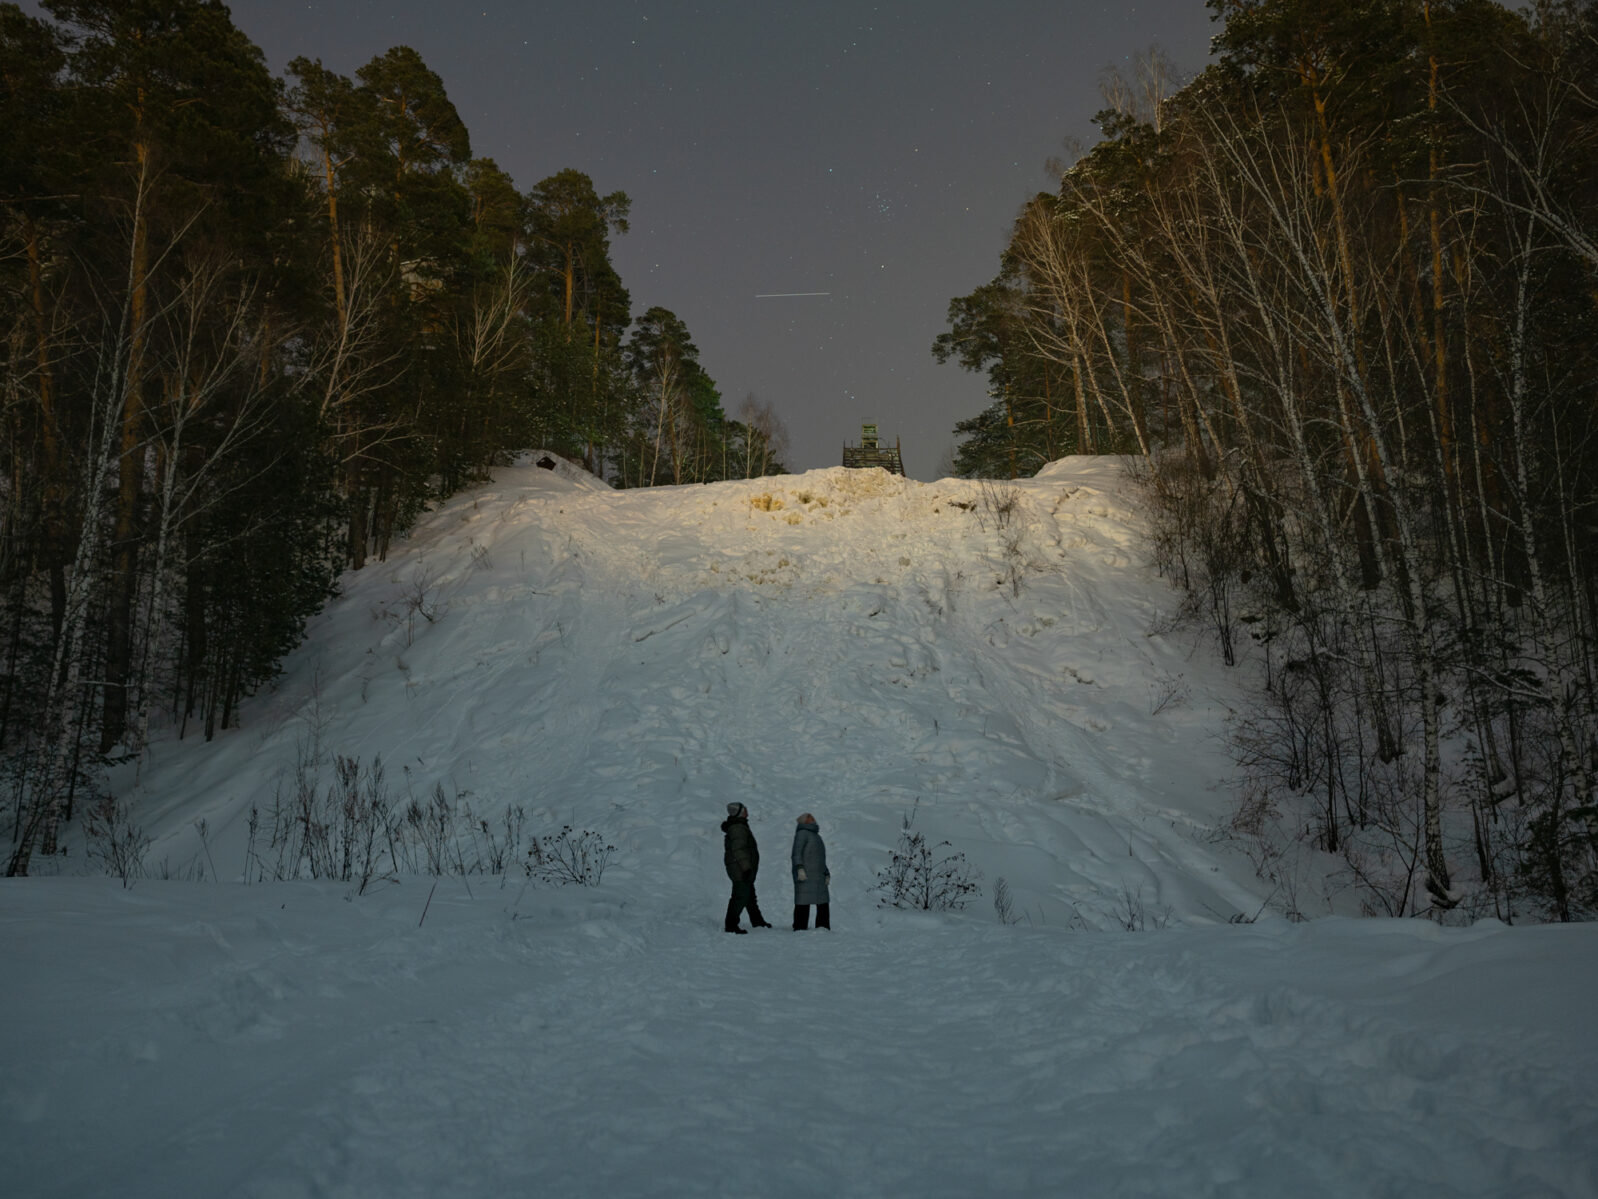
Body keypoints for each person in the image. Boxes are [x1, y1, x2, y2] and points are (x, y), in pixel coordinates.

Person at [721, 802, 771, 933]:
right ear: (740, 812)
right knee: (740, 895)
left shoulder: (739, 825)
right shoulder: (738, 827)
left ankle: (757, 921)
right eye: (745, 809)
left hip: (740, 867)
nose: (747, 811)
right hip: (739, 868)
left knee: (749, 895)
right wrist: (746, 868)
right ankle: (731, 925)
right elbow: (739, 849)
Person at [791, 813, 831, 930]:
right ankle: (799, 926)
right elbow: (796, 853)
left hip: (819, 875)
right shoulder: (802, 834)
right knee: (803, 901)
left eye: (813, 817)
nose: (813, 818)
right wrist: (799, 868)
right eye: (809, 817)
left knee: (823, 902)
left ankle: (823, 927)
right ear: (804, 821)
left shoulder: (817, 836)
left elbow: (821, 858)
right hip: (805, 874)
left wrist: (826, 872)